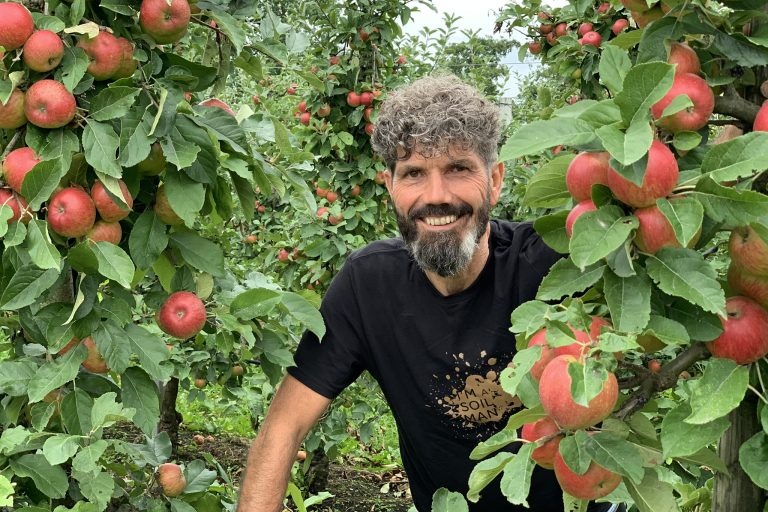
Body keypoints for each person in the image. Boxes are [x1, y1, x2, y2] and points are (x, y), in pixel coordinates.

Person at [236, 74, 619, 512]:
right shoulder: (368, 286)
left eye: (458, 168)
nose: (436, 196)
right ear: (390, 186)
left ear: (495, 180)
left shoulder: (560, 266)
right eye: (414, 173)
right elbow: (283, 427)